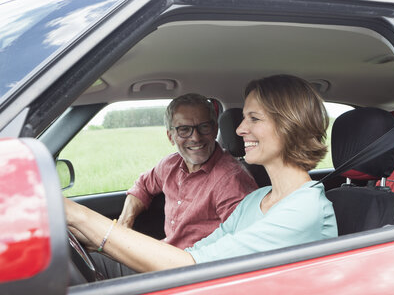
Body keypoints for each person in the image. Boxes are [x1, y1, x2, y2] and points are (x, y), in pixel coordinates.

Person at [64, 75, 337, 278]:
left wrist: (80, 216)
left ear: (290, 126)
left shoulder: (304, 210)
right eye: (243, 118)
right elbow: (195, 255)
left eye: (254, 118)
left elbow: (194, 266)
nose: (239, 129)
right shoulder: (256, 200)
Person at [119, 93, 257, 249]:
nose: (196, 138)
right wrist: (124, 225)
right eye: (184, 130)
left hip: (192, 266)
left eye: (204, 127)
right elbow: (142, 186)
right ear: (171, 136)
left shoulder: (231, 180)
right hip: (165, 253)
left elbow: (241, 241)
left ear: (214, 129)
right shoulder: (169, 165)